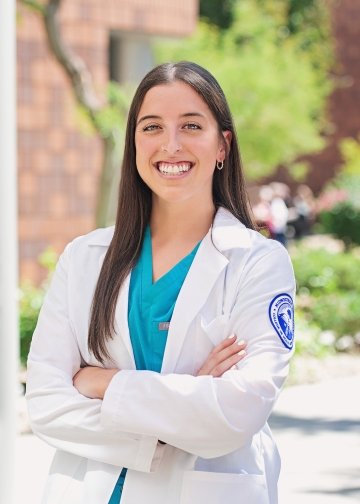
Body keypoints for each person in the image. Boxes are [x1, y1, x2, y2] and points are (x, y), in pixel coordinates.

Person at [26, 61, 296, 504]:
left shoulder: (258, 263)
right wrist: (177, 416)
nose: (171, 145)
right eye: (152, 127)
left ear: (222, 145)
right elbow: (45, 403)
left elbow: (240, 409)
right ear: (134, 143)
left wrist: (103, 383)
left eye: (191, 125)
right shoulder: (84, 259)